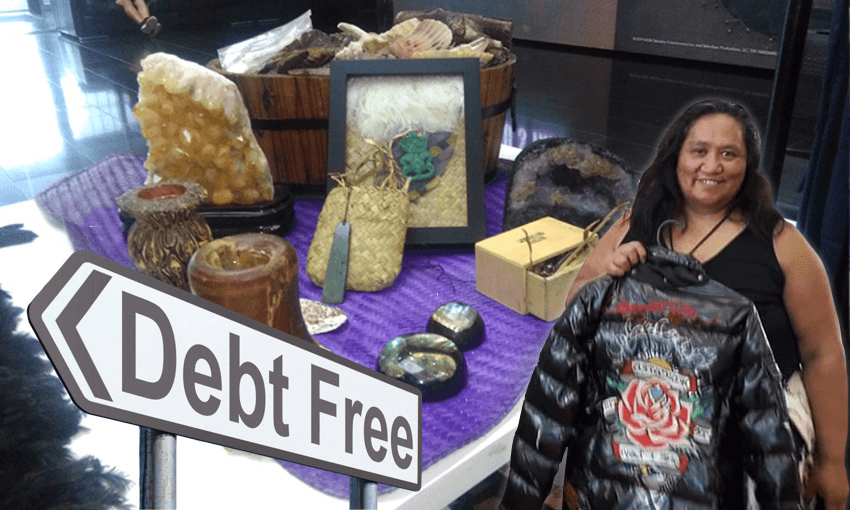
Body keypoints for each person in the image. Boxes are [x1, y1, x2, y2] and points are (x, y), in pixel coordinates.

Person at [554, 99, 847, 509]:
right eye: (699, 151)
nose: (713, 166)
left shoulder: (781, 243)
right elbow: (575, 301)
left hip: (749, 435)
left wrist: (833, 462)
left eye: (729, 154)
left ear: (748, 165)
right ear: (677, 156)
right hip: (639, 417)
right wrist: (609, 275)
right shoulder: (638, 220)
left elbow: (823, 353)